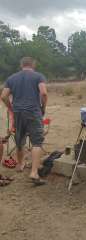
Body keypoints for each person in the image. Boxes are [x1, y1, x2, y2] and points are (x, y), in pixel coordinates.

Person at [1, 57, 48, 185]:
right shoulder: (38, 76)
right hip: (33, 112)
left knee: (19, 140)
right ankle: (34, 172)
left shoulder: (11, 78)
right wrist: (43, 108)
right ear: (33, 65)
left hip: (18, 113)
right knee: (37, 142)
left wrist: (11, 108)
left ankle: (20, 165)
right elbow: (43, 93)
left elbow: (4, 96)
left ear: (21, 65)